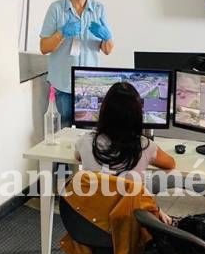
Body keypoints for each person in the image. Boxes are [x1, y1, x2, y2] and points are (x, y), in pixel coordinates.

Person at [74, 81, 175, 223]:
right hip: (130, 225)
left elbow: (77, 157)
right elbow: (170, 163)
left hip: (92, 222)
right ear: (137, 115)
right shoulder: (144, 146)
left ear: (104, 111)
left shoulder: (85, 141)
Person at [40, 0, 114, 127]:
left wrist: (106, 36)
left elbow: (108, 49)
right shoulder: (56, 9)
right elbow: (44, 48)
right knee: (61, 134)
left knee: (89, 135)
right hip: (62, 85)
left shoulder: (98, 9)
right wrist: (61, 33)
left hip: (89, 86)